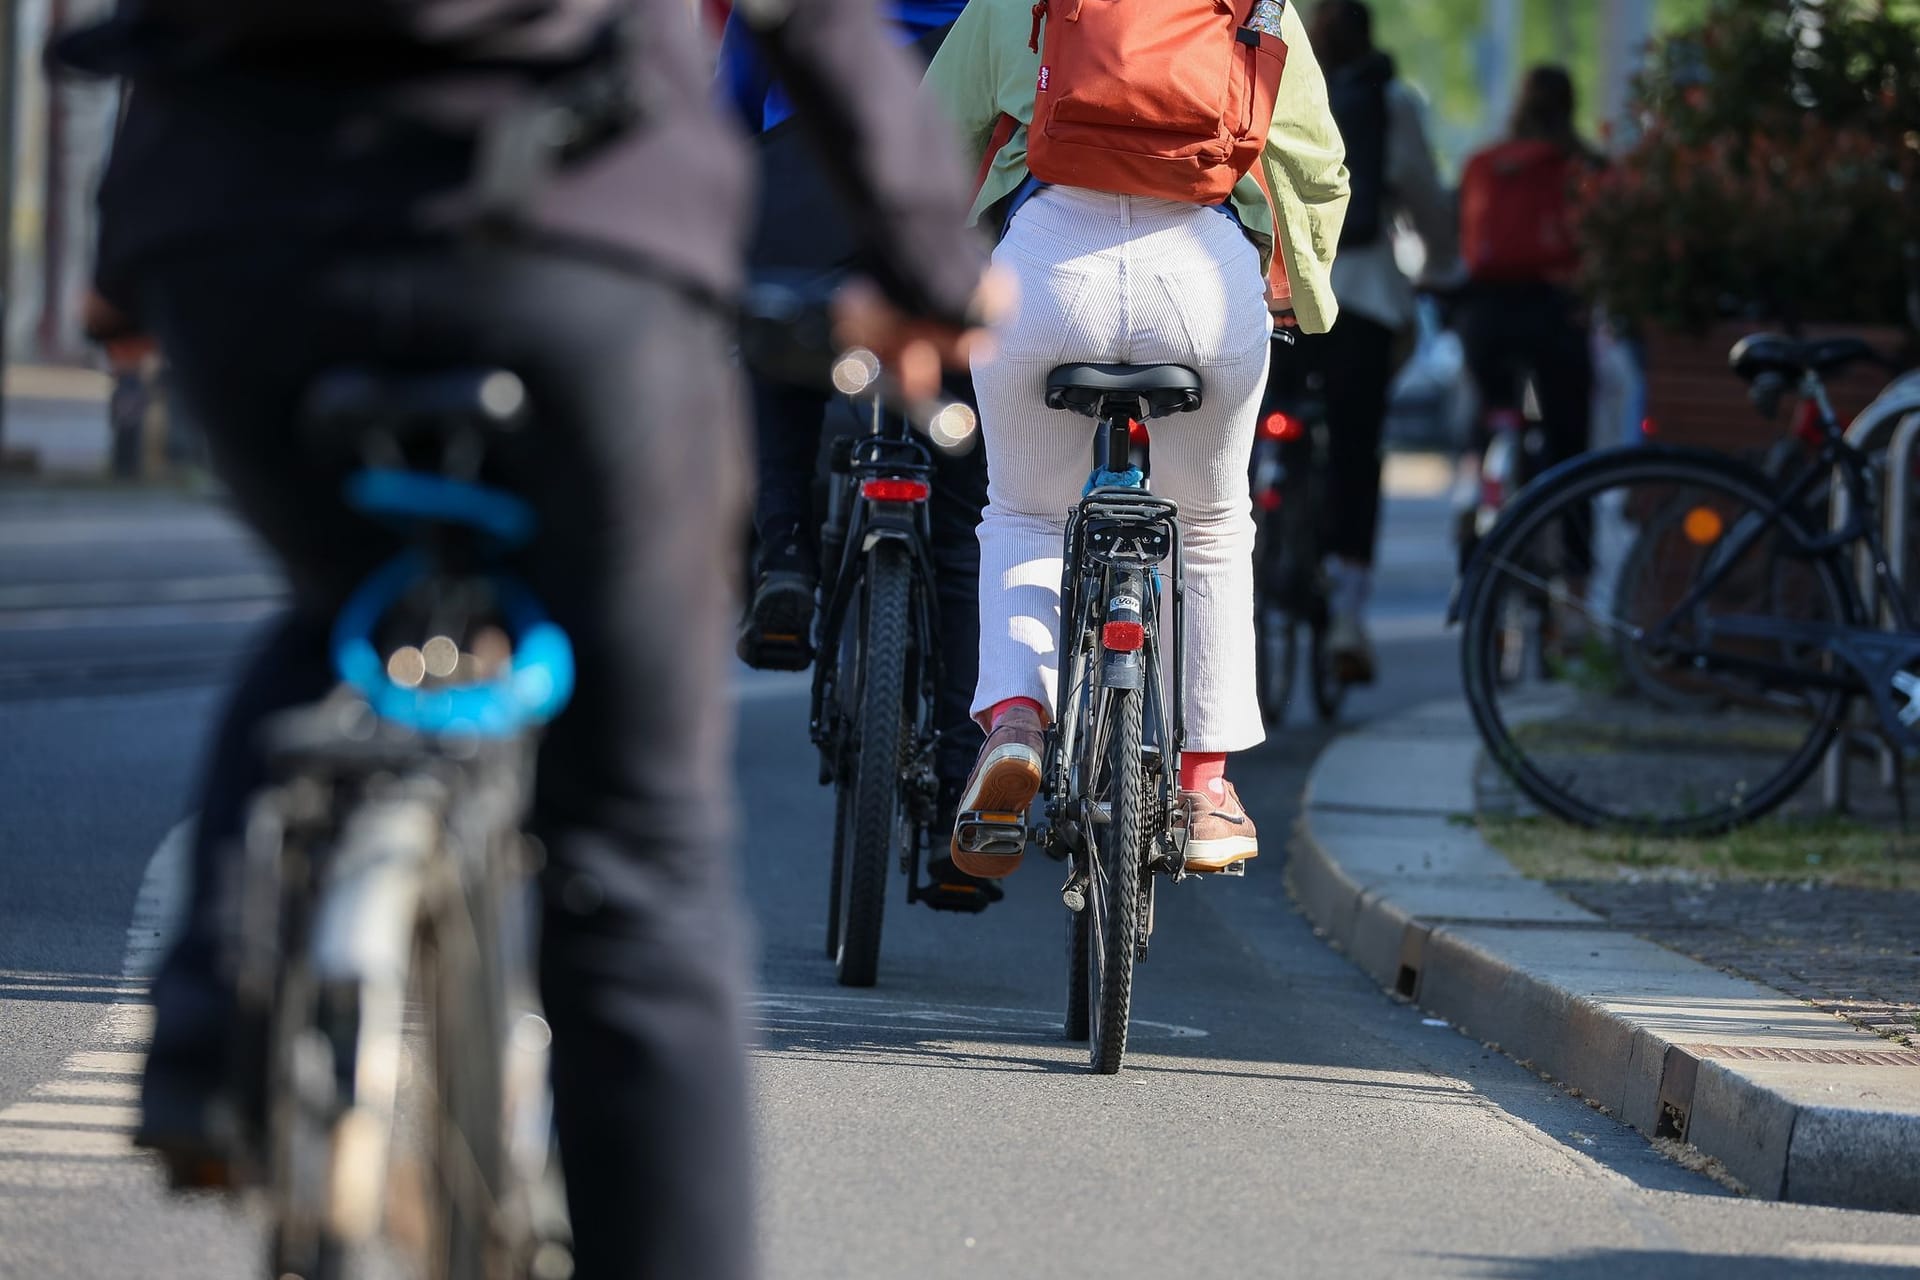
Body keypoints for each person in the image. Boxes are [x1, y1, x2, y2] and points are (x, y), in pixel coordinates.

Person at [55, 3, 996, 1276]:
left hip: (246, 240)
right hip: (576, 237)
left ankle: (211, 1023)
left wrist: (127, 248)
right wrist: (929, 264)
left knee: (339, 602)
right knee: (634, 851)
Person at [925, 0, 1349, 878]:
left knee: (1025, 512)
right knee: (1211, 529)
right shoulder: (1258, 2)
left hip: (1048, 268)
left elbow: (933, 137)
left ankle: (1014, 723)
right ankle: (1206, 788)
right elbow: (1313, 161)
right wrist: (1293, 291)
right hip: (1201, 275)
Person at [719, 0, 1002, 910]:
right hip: (948, 195)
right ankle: (967, 790)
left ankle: (784, 558)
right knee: (960, 526)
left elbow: (724, 101)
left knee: (774, 357)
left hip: (802, 180)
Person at [1303, 0, 1455, 684]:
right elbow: (1422, 195)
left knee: (1239, 437)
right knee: (1356, 450)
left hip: (1276, 296)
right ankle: (1348, 614)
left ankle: (1245, 568)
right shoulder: (1389, 102)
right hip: (1361, 296)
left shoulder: (1277, 82)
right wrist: (1449, 268)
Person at [1455, 66, 1603, 560]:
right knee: (1568, 441)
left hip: (1487, 315)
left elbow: (1461, 239)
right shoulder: (1584, 166)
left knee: (1490, 417)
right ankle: (1577, 568)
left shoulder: (1485, 163)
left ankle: (1478, 501)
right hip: (1553, 311)